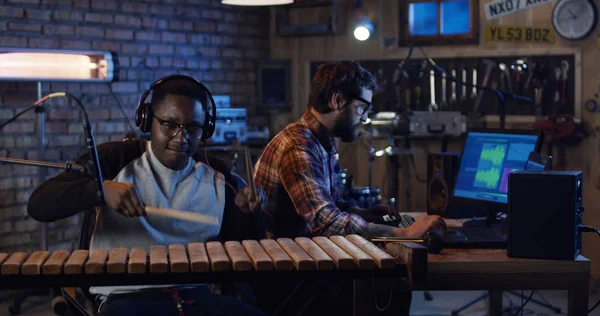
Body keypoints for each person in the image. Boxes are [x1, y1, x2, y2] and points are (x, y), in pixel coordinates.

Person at [27, 75, 266, 316]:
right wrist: (101, 191)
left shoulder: (219, 176)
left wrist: (248, 214)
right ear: (147, 120)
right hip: (125, 294)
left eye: (193, 128)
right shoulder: (115, 161)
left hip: (196, 296)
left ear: (206, 130)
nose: (181, 137)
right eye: (169, 125)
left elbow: (248, 255)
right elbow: (39, 205)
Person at [253, 60, 446, 315]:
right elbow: (324, 221)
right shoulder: (298, 147)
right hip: (288, 271)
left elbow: (327, 205)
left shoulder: (320, 141)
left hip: (307, 256)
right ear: (337, 101)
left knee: (391, 281)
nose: (364, 118)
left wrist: (362, 212)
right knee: (389, 286)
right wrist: (403, 234)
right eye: (361, 108)